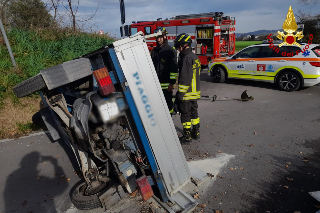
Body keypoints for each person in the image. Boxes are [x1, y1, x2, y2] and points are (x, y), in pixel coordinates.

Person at [174, 33, 201, 143]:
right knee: (194, 113)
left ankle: (187, 136)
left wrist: (180, 95)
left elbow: (184, 79)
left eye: (179, 47)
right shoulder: (195, 57)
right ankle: (196, 132)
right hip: (195, 92)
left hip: (186, 93)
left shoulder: (186, 59)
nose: (178, 49)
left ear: (184, 45)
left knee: (185, 115)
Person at [151, 26, 178, 115]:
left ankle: (169, 124)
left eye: (160, 37)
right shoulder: (154, 51)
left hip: (167, 86)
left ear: (165, 37)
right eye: (157, 37)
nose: (158, 40)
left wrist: (172, 83)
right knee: (158, 107)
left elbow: (174, 69)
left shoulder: (170, 51)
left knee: (168, 106)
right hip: (155, 85)